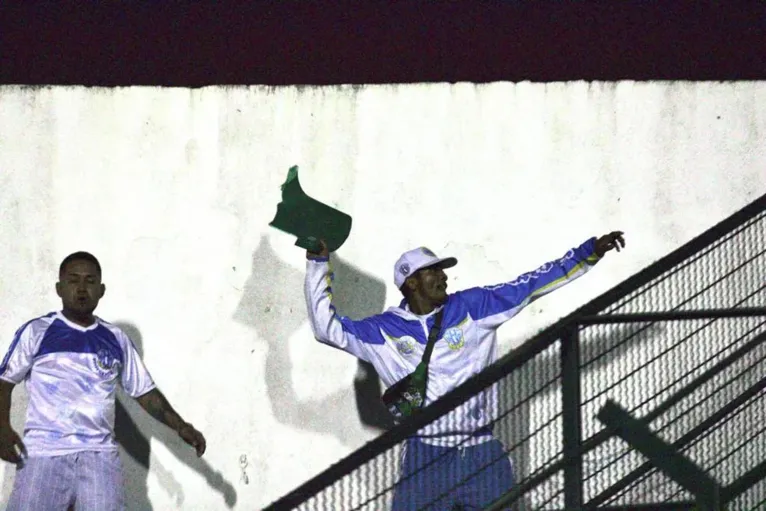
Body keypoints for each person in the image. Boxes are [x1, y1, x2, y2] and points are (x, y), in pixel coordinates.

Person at [304, 231, 625, 510]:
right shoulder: (383, 331)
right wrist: (318, 265)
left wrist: (589, 252)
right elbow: (325, 328)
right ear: (411, 282)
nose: (443, 277)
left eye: (443, 271)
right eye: (433, 272)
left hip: (481, 453)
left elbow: (532, 285)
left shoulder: (474, 305)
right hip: (424, 458)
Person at [0, 251, 207, 511]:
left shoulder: (115, 338)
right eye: (73, 280)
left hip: (99, 458)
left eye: (90, 281)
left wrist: (181, 426)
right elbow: (4, 382)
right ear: (59, 288)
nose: (82, 288)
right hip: (44, 454)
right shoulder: (38, 331)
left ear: (102, 290)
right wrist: (2, 428)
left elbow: (145, 393)